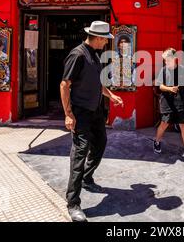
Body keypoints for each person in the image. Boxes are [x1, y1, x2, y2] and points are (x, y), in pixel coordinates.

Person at [60, 21, 124, 222]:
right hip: (81, 113)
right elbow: (64, 85)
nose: (106, 43)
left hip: (96, 110)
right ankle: (73, 203)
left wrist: (110, 95)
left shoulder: (94, 55)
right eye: (105, 39)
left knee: (101, 144)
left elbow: (97, 83)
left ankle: (87, 178)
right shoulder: (77, 55)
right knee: (79, 154)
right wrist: (68, 114)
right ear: (97, 37)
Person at [153, 48, 184, 166]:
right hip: (167, 101)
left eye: (167, 60)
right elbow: (160, 86)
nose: (165, 62)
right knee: (164, 124)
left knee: (183, 125)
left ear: (173, 59)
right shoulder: (162, 71)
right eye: (164, 60)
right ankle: (156, 141)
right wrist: (170, 89)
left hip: (180, 101)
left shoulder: (182, 70)